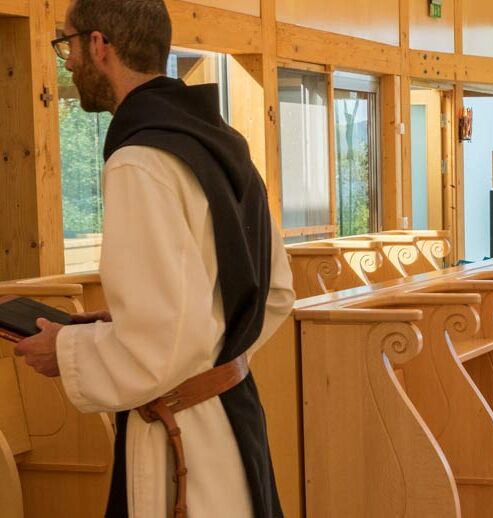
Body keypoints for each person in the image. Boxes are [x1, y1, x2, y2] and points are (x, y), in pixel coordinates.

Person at [12, 1, 294, 516]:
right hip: (233, 416)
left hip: (181, 433)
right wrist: (209, 356)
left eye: (67, 45)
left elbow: (158, 343)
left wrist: (68, 350)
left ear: (99, 46)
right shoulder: (224, 142)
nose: (68, 62)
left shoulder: (138, 162)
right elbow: (274, 293)